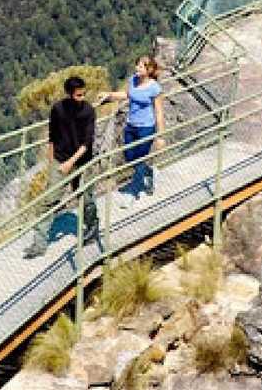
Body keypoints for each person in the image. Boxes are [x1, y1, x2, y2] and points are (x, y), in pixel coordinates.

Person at [24, 75, 99, 259]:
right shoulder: (58, 109)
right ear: (69, 94)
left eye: (84, 94)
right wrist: (52, 160)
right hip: (60, 159)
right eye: (78, 95)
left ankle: (92, 227)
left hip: (81, 161)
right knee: (48, 201)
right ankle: (39, 244)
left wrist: (70, 163)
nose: (82, 98)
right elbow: (52, 134)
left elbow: (86, 143)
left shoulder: (88, 111)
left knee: (86, 198)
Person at [99, 56, 165, 205]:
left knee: (140, 159)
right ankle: (148, 172)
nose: (137, 69)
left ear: (149, 70)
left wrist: (160, 136)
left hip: (146, 127)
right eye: (137, 65)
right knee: (130, 157)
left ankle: (133, 193)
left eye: (141, 67)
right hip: (131, 125)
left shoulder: (155, 88)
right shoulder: (133, 80)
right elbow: (127, 95)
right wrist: (109, 96)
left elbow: (159, 112)